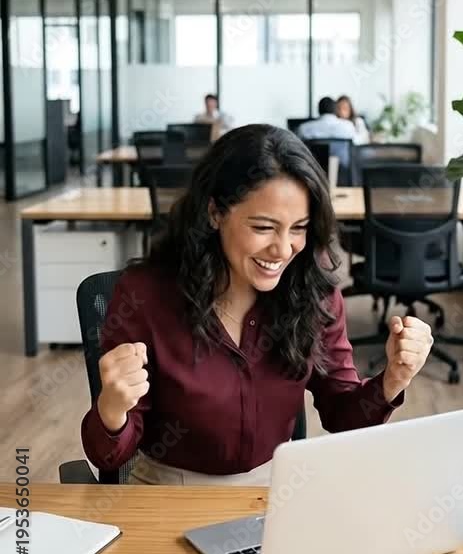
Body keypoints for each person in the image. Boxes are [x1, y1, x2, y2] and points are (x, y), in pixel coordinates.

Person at [81, 125, 432, 486]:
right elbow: (110, 455)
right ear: (215, 212)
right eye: (264, 227)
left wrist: (392, 380)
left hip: (276, 492)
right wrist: (112, 409)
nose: (283, 249)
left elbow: (343, 417)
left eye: (298, 228)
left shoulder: (314, 294)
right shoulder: (146, 294)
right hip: (170, 491)